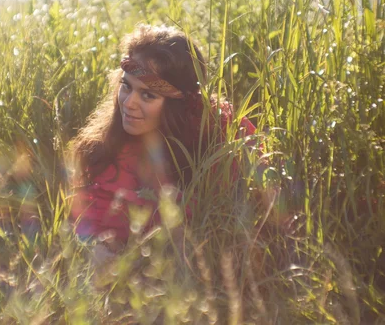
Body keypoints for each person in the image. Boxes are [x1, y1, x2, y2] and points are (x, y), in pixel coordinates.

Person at [69, 24, 257, 254]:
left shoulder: (220, 138)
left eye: (147, 95)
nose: (128, 103)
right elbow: (89, 225)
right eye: (126, 87)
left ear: (178, 105)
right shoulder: (109, 147)